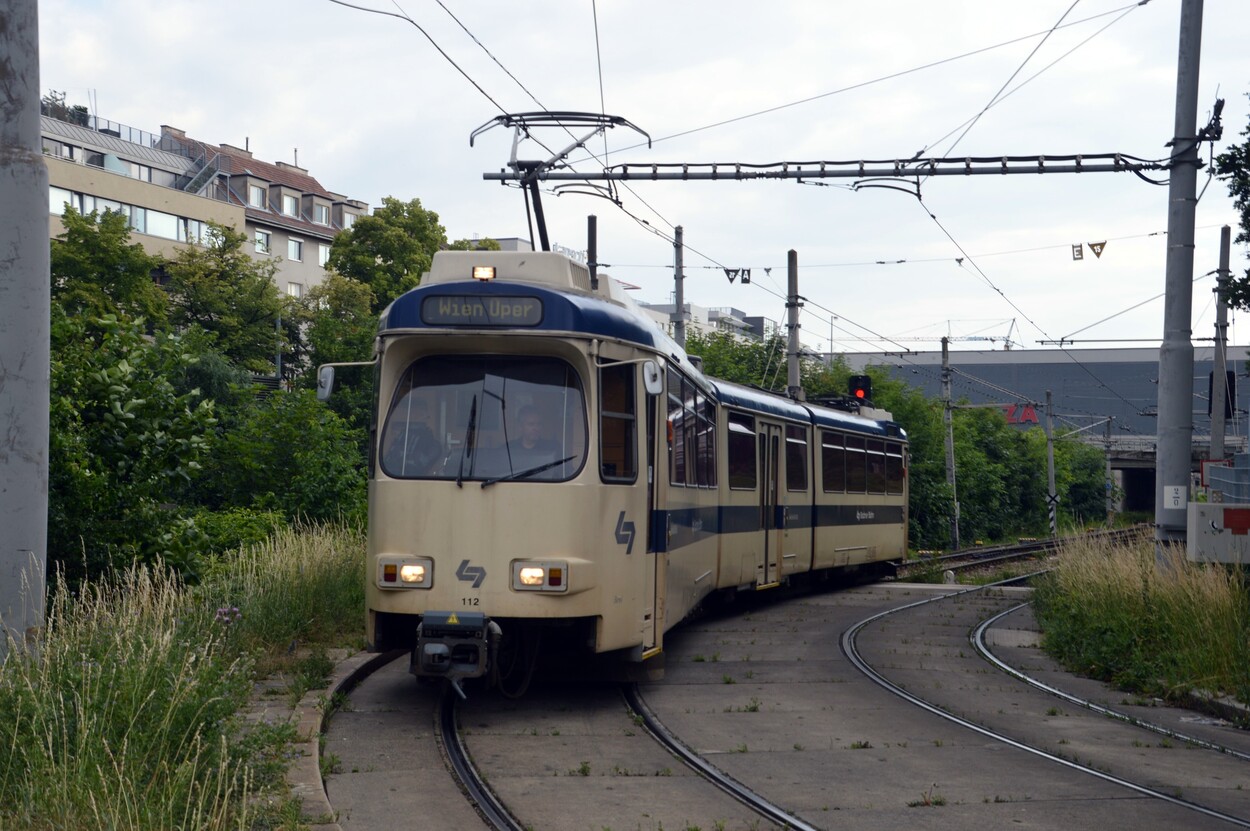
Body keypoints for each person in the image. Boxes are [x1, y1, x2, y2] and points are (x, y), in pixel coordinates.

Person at [382, 397, 443, 476]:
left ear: (426, 415)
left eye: (420, 412)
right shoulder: (400, 437)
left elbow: (421, 465)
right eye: (413, 411)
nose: (415, 414)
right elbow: (388, 461)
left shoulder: (434, 444)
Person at [508, 405, 558, 471]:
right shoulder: (509, 449)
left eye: (539, 424)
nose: (536, 428)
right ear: (520, 427)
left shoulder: (552, 448)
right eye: (531, 424)